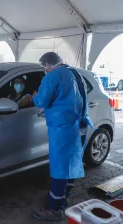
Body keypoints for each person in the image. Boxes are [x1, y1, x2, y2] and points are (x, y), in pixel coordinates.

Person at [32, 52, 93, 221]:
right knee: (71, 164)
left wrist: (33, 96)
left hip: (63, 129)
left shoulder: (52, 77)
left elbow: (41, 101)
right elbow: (75, 99)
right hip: (79, 125)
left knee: (60, 167)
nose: (45, 70)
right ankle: (63, 197)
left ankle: (54, 210)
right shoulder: (75, 73)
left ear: (49, 65)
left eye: (44, 67)